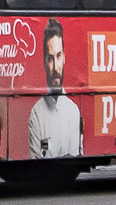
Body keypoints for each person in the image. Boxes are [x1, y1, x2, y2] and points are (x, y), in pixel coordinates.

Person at [28, 17, 82, 158]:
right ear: (44, 62)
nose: (56, 68)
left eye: (58, 56)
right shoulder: (36, 114)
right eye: (50, 59)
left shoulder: (74, 111)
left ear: (64, 58)